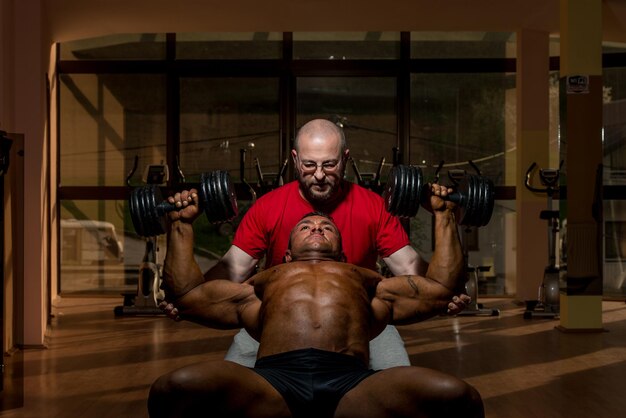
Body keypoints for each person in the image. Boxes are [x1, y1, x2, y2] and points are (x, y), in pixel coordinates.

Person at [162, 118, 469, 369]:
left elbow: (411, 270)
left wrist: (442, 293)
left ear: (345, 159)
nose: (319, 175)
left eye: (330, 164)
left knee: (399, 386)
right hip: (277, 315)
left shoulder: (374, 206)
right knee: (228, 393)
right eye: (309, 165)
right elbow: (231, 272)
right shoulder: (269, 207)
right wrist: (190, 296)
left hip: (362, 316)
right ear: (295, 159)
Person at [148, 205, 484, 418]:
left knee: (458, 397)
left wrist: (444, 215)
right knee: (173, 388)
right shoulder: (264, 282)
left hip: (352, 384)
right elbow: (189, 295)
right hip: (273, 382)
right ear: (288, 254)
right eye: (306, 226)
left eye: (327, 226)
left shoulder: (366, 280)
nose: (317, 228)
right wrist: (180, 224)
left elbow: (441, 286)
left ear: (341, 252)